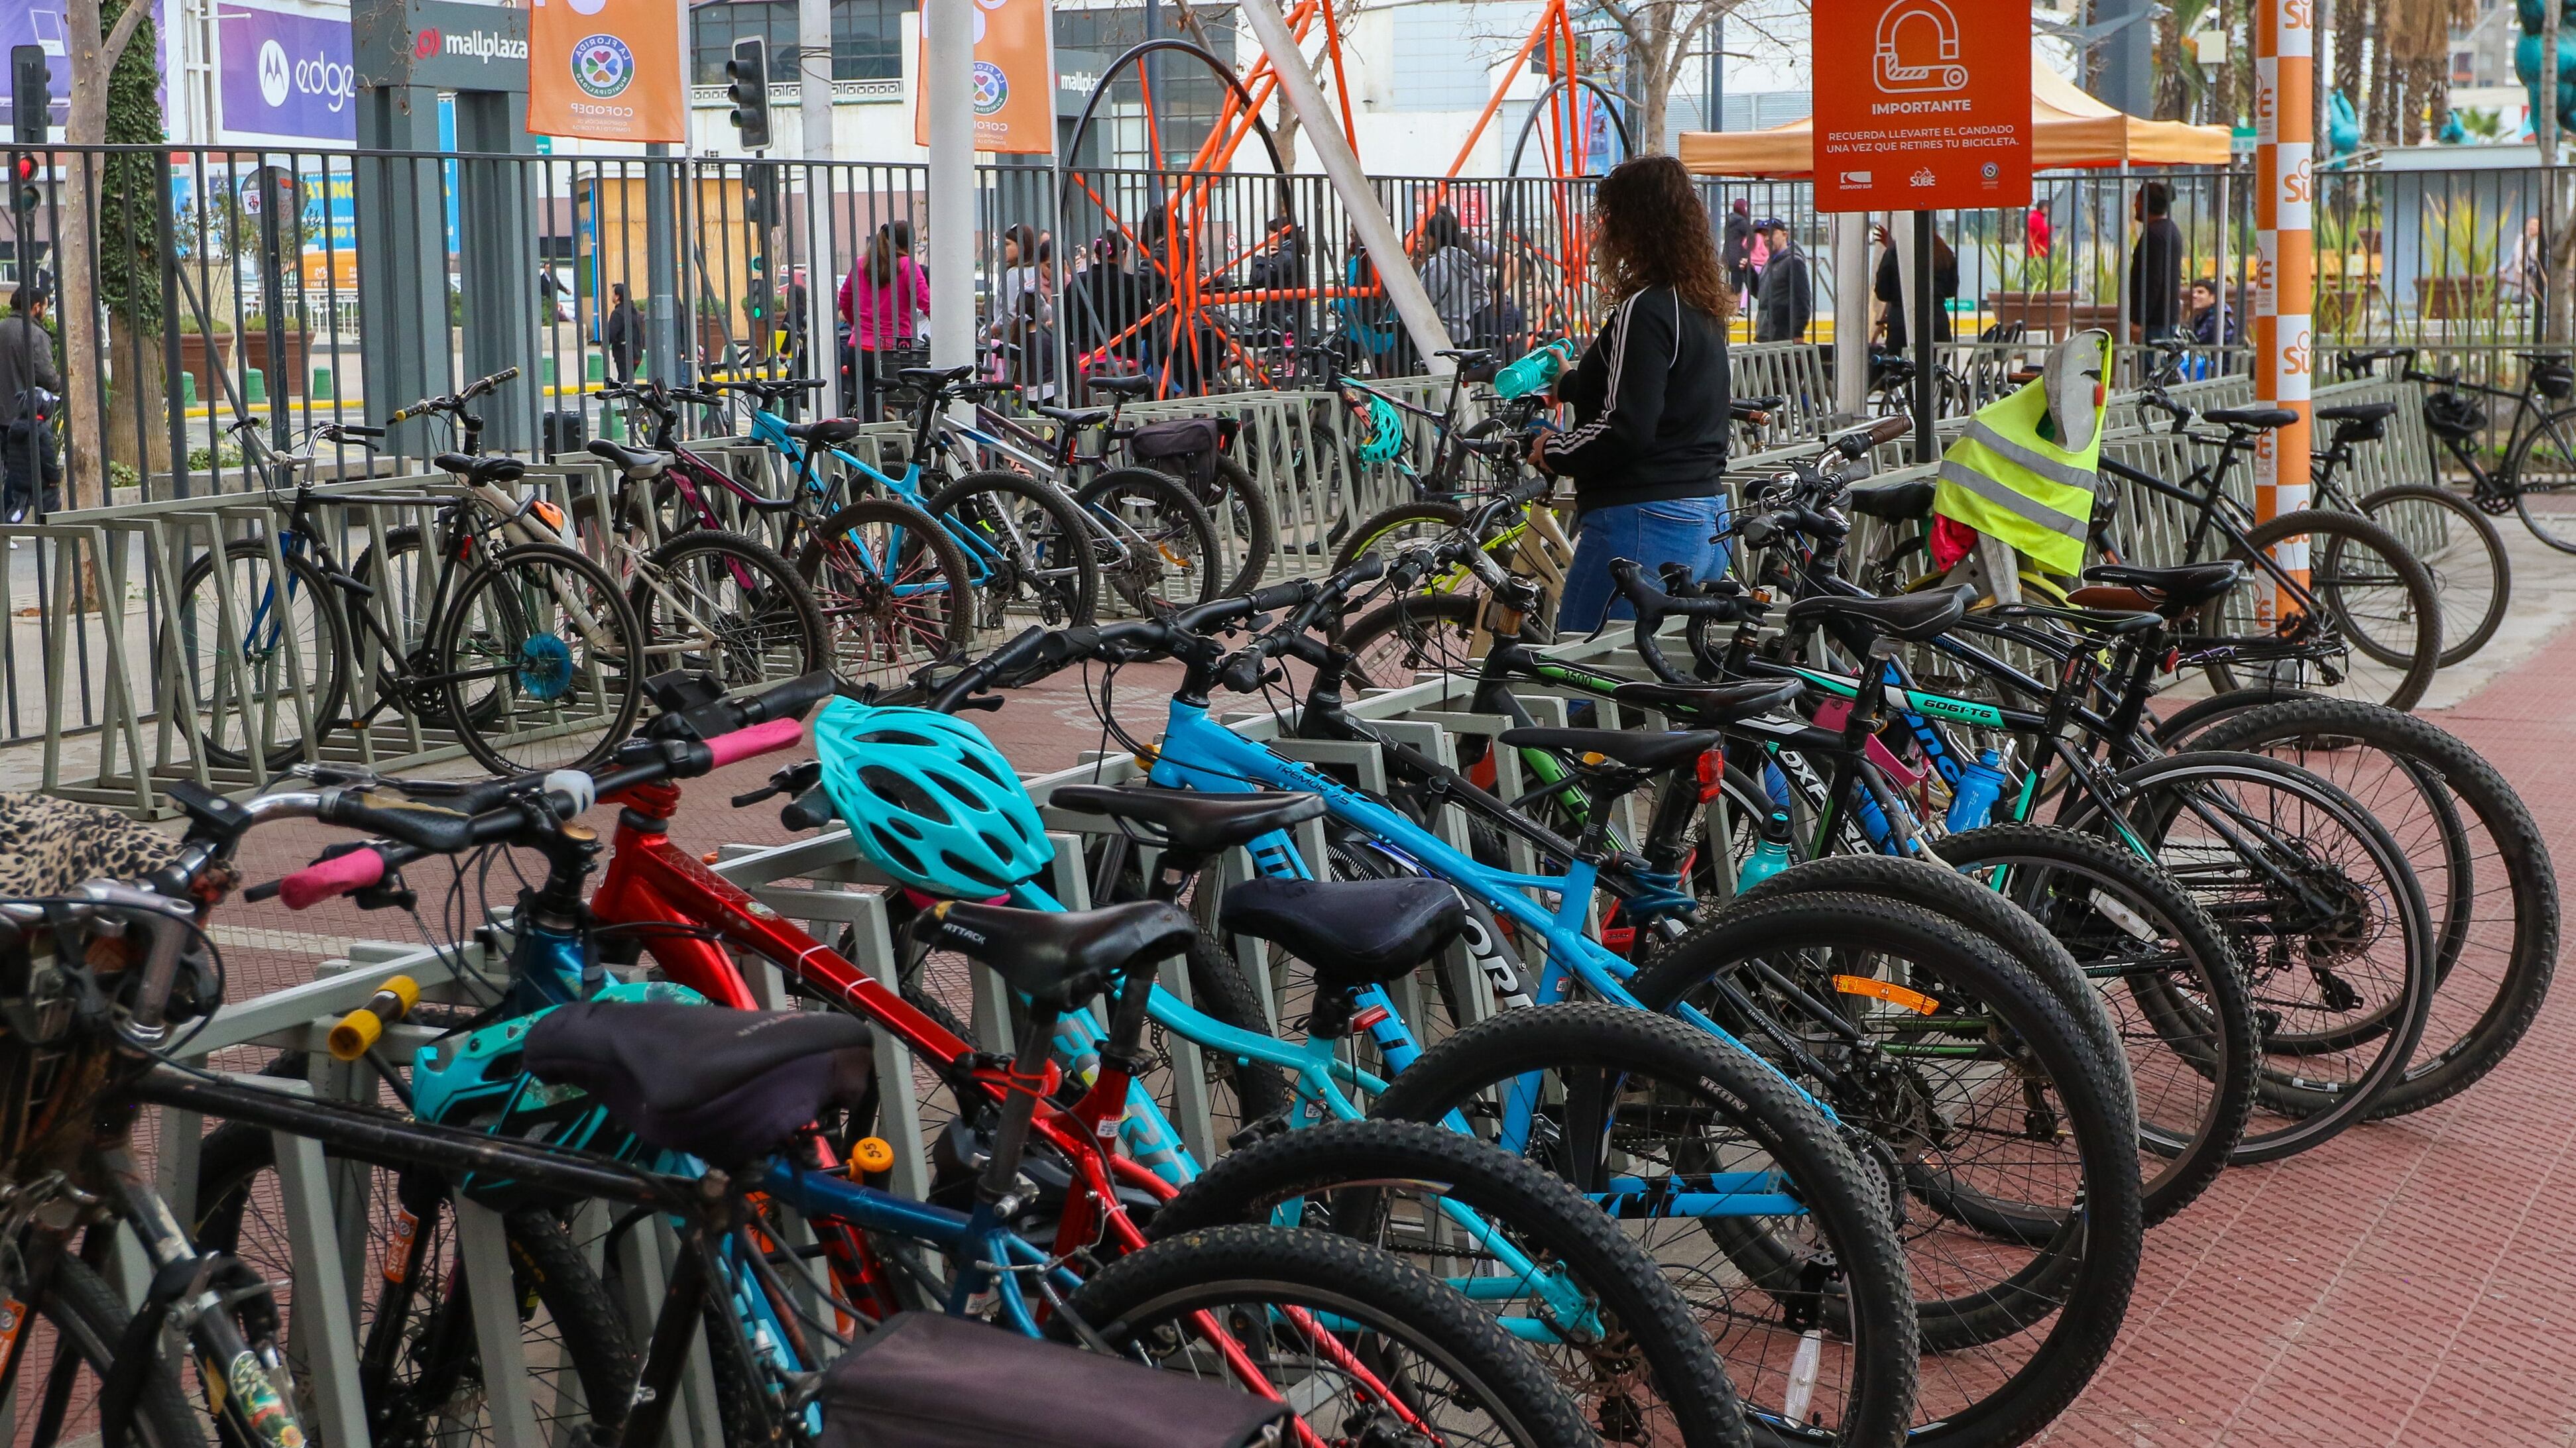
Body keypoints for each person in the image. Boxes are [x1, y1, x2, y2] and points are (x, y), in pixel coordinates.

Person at [1527, 155, 1734, 634]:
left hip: (1644, 517)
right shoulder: (1697, 304)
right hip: (1705, 517)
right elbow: (1664, 391)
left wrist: (1553, 450)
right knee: (1656, 687)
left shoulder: (1644, 308)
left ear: (1629, 226)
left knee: (1584, 677)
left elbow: (1628, 427)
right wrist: (1573, 384)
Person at [841, 222, 929, 408]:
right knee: (902, 409)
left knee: (867, 412)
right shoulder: (907, 266)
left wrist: (855, 327)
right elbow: (927, 303)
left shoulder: (861, 265)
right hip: (895, 351)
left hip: (859, 349)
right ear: (907, 245)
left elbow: (845, 300)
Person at [1, 284, 62, 522]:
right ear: (36, 307)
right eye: (45, 307)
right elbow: (46, 374)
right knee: (18, 472)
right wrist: (61, 383)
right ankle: (9, 523)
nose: (45, 312)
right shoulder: (36, 335)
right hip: (23, 416)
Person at [1417, 207, 1492, 351]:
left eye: (1425, 234)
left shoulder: (1435, 265)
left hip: (1439, 334)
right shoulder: (1462, 261)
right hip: (1463, 332)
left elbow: (1424, 303)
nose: (1421, 240)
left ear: (1436, 237)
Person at [1873, 224, 1958, 352]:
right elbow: (1951, 290)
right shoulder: (1944, 252)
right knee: (1936, 369)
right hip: (1938, 323)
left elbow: (1882, 293)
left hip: (1902, 323)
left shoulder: (1895, 253)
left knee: (1903, 369)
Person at [2128, 180, 2185, 343]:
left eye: (2137, 201)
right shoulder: (2171, 230)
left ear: (2146, 203)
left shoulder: (2153, 235)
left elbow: (2152, 280)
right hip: (2165, 317)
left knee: (2152, 368)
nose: (2135, 206)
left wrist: (2140, 321)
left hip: (2154, 323)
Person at [1753, 219, 1812, 343]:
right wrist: (1749, 274)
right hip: (1765, 331)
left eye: (1771, 233)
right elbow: (1761, 294)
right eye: (1764, 235)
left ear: (1785, 235)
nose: (1767, 239)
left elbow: (1802, 299)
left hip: (1781, 333)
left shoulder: (1793, 262)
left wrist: (1798, 331)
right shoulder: (1770, 263)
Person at [602, 282, 644, 386]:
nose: (611, 296)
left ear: (617, 297)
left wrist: (604, 345)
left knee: (625, 384)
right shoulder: (635, 312)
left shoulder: (618, 313)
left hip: (623, 353)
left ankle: (633, 402)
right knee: (626, 381)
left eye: (613, 294)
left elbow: (611, 332)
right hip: (637, 353)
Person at [1722, 197, 1757, 303]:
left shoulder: (1730, 220)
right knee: (1739, 284)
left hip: (1728, 255)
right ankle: (1735, 308)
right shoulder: (1742, 222)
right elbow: (1752, 237)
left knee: (1733, 282)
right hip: (1738, 256)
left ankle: (1730, 305)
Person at [2189, 277, 2237, 346]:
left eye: (2200, 292)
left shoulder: (2216, 320)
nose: (2194, 296)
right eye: (2193, 292)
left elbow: (2198, 345)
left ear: (2213, 298)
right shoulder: (2201, 318)